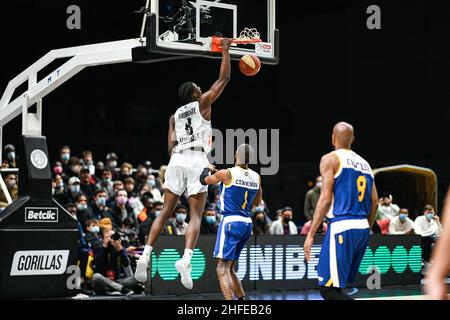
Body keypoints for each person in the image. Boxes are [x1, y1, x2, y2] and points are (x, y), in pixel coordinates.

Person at [134, 38, 232, 289]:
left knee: (165, 212)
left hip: (176, 158)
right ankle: (186, 260)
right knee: (196, 214)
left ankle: (144, 254)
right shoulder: (203, 104)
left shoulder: (174, 116)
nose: (202, 89)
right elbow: (224, 79)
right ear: (195, 93)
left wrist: (180, 160)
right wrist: (226, 51)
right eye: (199, 87)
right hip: (197, 157)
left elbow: (169, 145)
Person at [304, 122, 379, 300]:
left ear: (333, 138)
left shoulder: (330, 159)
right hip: (361, 228)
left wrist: (311, 234)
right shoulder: (365, 164)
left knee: (328, 290)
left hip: (342, 226)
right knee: (338, 287)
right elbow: (375, 202)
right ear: (352, 139)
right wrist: (366, 227)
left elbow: (325, 198)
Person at [199, 143, 262, 300]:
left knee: (221, 268)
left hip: (231, 221)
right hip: (247, 224)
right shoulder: (257, 177)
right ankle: (242, 301)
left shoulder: (226, 173)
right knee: (230, 267)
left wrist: (207, 168)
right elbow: (257, 203)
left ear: (236, 155)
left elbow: (203, 180)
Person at [426, 188, 450, 300]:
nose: (430, 214)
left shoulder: (436, 221)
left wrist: (436, 274)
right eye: (428, 212)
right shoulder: (420, 220)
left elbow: (442, 232)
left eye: (431, 212)